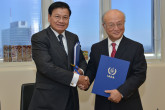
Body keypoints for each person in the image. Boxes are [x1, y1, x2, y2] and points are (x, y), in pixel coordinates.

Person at [28, 1, 89, 110]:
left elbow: (82, 61)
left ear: (69, 19)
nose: (61, 21)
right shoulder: (39, 38)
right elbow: (46, 67)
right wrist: (77, 78)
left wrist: (80, 71)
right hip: (48, 100)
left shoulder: (73, 37)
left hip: (71, 99)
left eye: (65, 17)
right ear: (49, 17)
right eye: (57, 16)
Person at [85, 9, 147, 110]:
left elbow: (139, 74)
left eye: (120, 24)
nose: (116, 28)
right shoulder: (96, 48)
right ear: (104, 26)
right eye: (111, 25)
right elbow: (92, 69)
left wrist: (121, 92)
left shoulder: (135, 47)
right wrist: (86, 80)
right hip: (102, 104)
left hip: (128, 104)